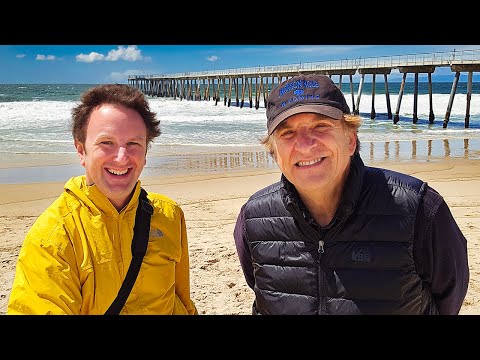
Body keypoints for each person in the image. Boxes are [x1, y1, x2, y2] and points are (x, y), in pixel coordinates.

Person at [233, 74, 469, 315]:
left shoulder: (418, 209)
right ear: (273, 152)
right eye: (287, 133)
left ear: (351, 140)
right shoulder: (253, 220)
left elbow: (449, 297)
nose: (305, 145)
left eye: (321, 126)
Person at [7, 84, 197, 315]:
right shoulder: (54, 236)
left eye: (133, 144)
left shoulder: (168, 214)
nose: (121, 157)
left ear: (146, 153)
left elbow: (181, 300)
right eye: (106, 143)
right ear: (81, 151)